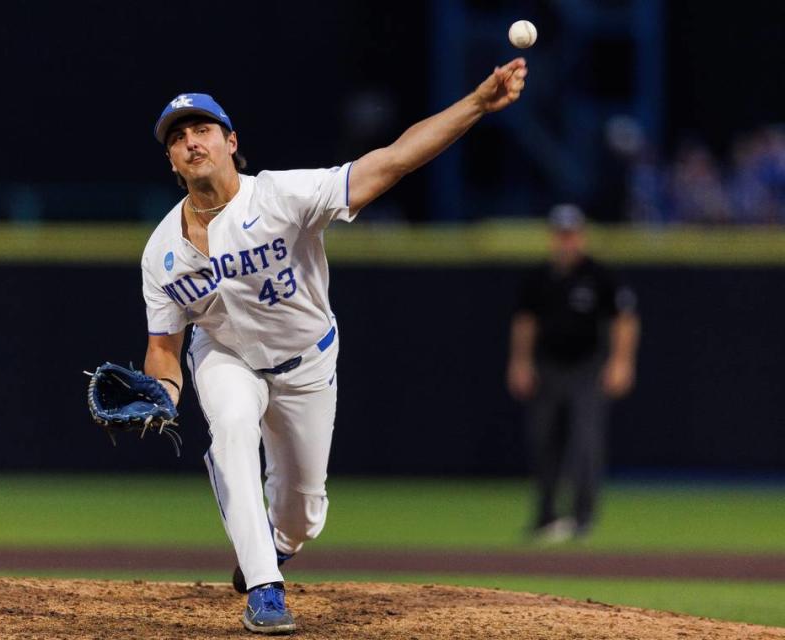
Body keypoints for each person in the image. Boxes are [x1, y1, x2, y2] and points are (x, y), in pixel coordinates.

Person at [141, 58, 528, 635]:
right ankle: (266, 589)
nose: (190, 141)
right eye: (177, 137)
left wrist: (475, 103)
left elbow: (393, 161)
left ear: (231, 142)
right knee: (231, 429)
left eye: (201, 130)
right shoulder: (161, 252)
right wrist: (162, 393)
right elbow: (165, 348)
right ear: (171, 159)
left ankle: (272, 544)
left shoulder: (281, 196)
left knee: (302, 513)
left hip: (306, 363)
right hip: (226, 355)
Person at [507, 204, 640, 543]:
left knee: (585, 442)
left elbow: (625, 319)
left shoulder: (599, 274)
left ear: (581, 235)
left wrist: (621, 362)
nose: (566, 240)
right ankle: (546, 517)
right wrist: (520, 362)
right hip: (548, 366)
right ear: (553, 237)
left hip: (587, 367)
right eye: (560, 234)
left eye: (572, 234)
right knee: (543, 440)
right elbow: (525, 322)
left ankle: (583, 519)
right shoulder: (539, 277)